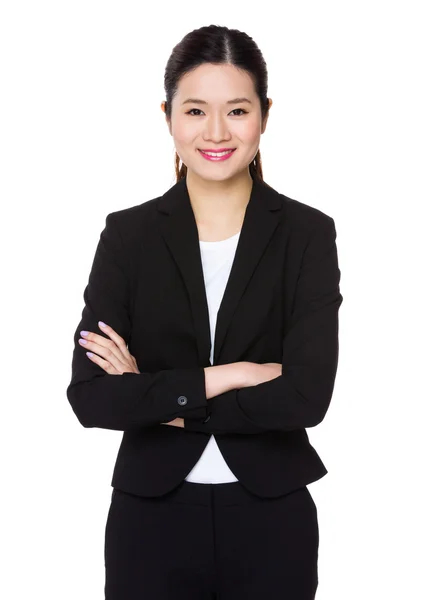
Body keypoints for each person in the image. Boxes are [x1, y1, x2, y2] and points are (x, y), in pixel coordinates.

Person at [66, 24, 343, 600]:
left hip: (272, 517)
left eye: (237, 110)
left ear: (265, 114)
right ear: (167, 116)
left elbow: (306, 397)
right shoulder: (129, 236)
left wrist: (156, 397)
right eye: (195, 110)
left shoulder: (307, 234)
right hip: (151, 519)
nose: (216, 132)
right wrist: (235, 375)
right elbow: (92, 397)